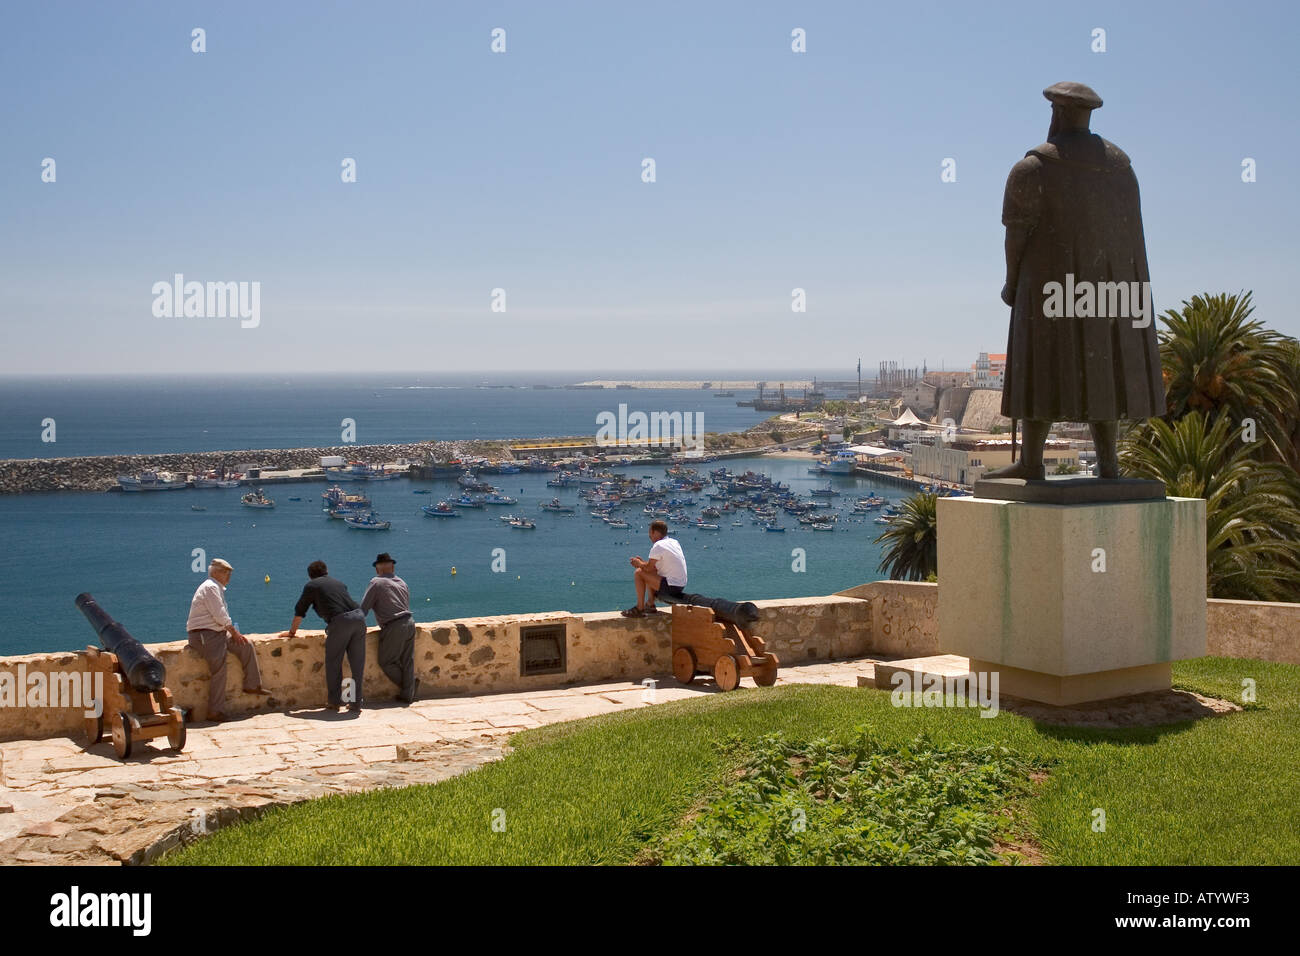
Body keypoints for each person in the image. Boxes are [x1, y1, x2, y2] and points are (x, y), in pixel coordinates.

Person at [987, 81, 1165, 481]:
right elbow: (1131, 238)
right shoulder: (1122, 170)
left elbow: (1015, 234)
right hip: (1111, 291)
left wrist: (1011, 283)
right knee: (1104, 363)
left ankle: (1032, 463)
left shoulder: (1032, 168)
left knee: (1040, 365)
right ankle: (1109, 464)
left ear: (1057, 114)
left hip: (1047, 287)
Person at [186, 558, 270, 721]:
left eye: (229, 572)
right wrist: (233, 631)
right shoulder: (210, 587)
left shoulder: (216, 588)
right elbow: (220, 615)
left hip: (216, 633)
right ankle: (214, 711)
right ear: (215, 572)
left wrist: (232, 633)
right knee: (219, 669)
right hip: (205, 635)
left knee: (246, 645)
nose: (228, 576)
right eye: (225, 572)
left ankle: (252, 685)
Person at [281, 560, 366, 712]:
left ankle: (335, 702)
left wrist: (292, 632)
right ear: (326, 571)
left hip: (340, 622)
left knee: (334, 662)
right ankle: (355, 702)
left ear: (310, 575)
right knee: (356, 665)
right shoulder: (339, 583)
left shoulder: (312, 586)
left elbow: (300, 611)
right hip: (359, 618)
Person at [360, 552, 418, 703]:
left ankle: (410, 686)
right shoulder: (402, 582)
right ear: (392, 567)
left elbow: (364, 609)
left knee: (386, 661)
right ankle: (408, 692)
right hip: (410, 622)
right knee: (407, 660)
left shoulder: (376, 582)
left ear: (377, 569)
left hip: (394, 625)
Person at [621, 520, 687, 617]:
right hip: (679, 586)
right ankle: (650, 605)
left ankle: (639, 608)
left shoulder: (658, 545)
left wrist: (639, 564)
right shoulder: (674, 542)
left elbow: (647, 568)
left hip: (670, 589)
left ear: (654, 532)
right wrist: (642, 564)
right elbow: (652, 567)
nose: (650, 536)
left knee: (639, 573)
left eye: (650, 533)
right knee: (649, 570)